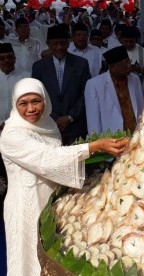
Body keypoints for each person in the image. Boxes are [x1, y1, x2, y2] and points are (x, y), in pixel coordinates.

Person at [0, 78, 128, 276]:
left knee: (50, 259)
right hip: (25, 205)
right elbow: (47, 158)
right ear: (15, 105)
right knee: (27, 261)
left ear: (45, 100)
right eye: (23, 104)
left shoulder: (47, 123)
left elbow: (56, 162)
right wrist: (94, 147)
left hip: (48, 200)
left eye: (36, 101)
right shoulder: (11, 134)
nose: (31, 108)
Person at [32, 24, 91, 145]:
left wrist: (69, 116)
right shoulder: (39, 67)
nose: (59, 47)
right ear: (48, 44)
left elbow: (86, 93)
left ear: (69, 43)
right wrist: (53, 117)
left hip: (75, 125)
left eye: (63, 43)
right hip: (48, 125)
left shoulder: (81, 64)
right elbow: (37, 96)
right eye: (55, 44)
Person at [84, 46, 144, 134]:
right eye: (126, 63)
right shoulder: (94, 85)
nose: (130, 65)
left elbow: (141, 108)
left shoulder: (135, 79)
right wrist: (98, 144)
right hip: (112, 139)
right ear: (112, 67)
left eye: (129, 61)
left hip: (135, 136)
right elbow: (93, 121)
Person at [0, 43, 30, 130]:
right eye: (2, 58)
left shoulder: (26, 77)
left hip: (21, 126)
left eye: (9, 57)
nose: (6, 60)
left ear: (14, 59)